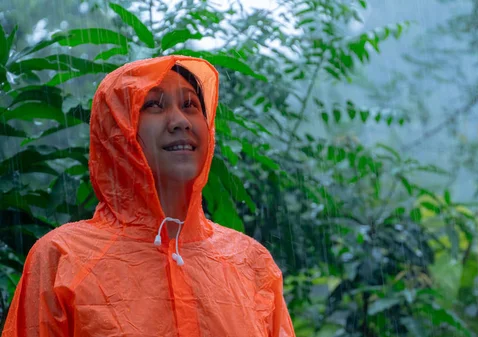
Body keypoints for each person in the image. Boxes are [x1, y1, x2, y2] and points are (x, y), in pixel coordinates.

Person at [2, 55, 296, 337]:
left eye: (191, 105)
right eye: (154, 105)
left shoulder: (251, 263)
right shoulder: (63, 257)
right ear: (117, 129)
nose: (180, 121)